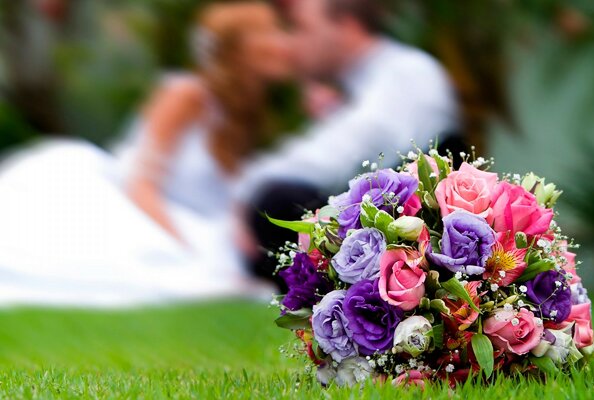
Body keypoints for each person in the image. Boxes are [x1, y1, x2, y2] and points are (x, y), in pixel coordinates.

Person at [0, 2, 292, 306]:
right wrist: (186, 252)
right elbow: (142, 183)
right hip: (129, 201)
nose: (285, 42)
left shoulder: (248, 116)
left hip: (201, 227)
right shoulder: (187, 95)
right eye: (272, 31)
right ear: (239, 47)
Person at [237, 0, 464, 284]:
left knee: (277, 203)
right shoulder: (367, 81)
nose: (294, 43)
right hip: (391, 235)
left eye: (302, 28)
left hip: (415, 248)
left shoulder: (406, 72)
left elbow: (340, 154)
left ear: (347, 25)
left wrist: (245, 190)